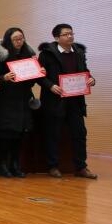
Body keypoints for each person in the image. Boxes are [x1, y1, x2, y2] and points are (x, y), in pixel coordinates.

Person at [37, 23, 98, 179]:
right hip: (54, 101)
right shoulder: (47, 54)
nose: (70, 36)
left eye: (71, 33)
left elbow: (85, 71)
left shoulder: (79, 52)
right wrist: (50, 86)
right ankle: (53, 166)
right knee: (53, 134)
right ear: (57, 38)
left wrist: (91, 79)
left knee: (80, 133)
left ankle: (81, 167)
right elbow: (39, 76)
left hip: (76, 101)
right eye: (66, 34)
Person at [0, 27, 43, 178]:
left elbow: (31, 82)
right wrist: (4, 78)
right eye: (15, 39)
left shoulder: (29, 56)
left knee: (20, 134)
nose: (19, 41)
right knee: (6, 134)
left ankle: (15, 165)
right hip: (6, 100)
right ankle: (2, 165)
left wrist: (38, 73)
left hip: (23, 99)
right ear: (8, 40)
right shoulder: (1, 56)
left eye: (21, 38)